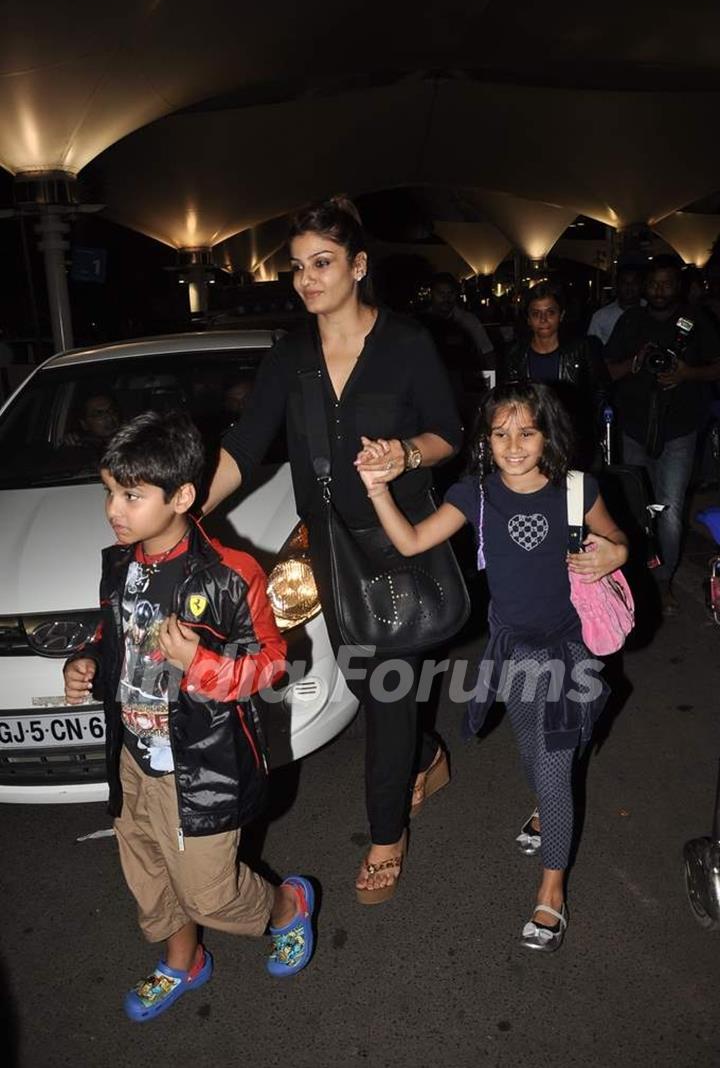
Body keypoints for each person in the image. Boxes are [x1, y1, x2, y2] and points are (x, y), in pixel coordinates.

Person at [204, 195, 463, 904]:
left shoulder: (406, 342)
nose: (307, 280)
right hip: (327, 555)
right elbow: (246, 443)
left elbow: (449, 432)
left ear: (357, 265)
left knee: (384, 693)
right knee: (371, 686)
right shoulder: (291, 357)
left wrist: (406, 453)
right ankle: (425, 755)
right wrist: (189, 508)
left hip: (399, 542)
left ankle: (386, 835)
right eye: (297, 268)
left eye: (322, 264)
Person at [63, 411, 316, 1022]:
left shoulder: (231, 575)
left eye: (130, 495)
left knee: (210, 894)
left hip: (198, 765)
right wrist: (87, 661)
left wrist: (199, 662)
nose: (113, 509)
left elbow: (272, 663)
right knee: (148, 876)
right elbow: (113, 635)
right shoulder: (119, 564)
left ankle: (286, 906)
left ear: (182, 496)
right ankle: (182, 961)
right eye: (109, 491)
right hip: (132, 758)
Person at [356, 382, 628, 951]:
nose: (513, 445)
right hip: (514, 648)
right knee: (532, 751)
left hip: (570, 646)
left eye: (526, 432)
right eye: (500, 433)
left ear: (548, 434)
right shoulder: (475, 495)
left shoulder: (577, 489)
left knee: (553, 764)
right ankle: (548, 805)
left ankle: (552, 890)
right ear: (485, 440)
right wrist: (379, 490)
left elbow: (618, 539)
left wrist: (615, 552)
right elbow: (410, 543)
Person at [605, 255, 720, 614]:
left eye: (666, 283)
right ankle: (637, 579)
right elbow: (607, 368)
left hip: (679, 431)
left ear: (679, 286)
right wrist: (633, 363)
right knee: (636, 507)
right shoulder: (631, 320)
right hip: (635, 428)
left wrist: (686, 373)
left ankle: (663, 581)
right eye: (653, 283)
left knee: (669, 510)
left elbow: (717, 367)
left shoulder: (696, 321)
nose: (658, 290)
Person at [499, 282, 610, 468]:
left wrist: (590, 428)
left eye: (550, 312)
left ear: (561, 315)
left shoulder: (582, 349)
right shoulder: (514, 355)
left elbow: (600, 391)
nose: (543, 319)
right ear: (528, 318)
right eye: (536, 314)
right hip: (528, 443)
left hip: (574, 441)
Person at [587, 266, 645, 347]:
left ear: (641, 285)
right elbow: (592, 350)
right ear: (617, 285)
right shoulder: (600, 316)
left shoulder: (652, 311)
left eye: (634, 282)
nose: (629, 287)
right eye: (624, 282)